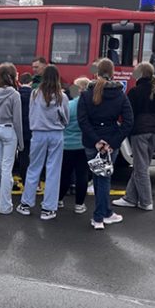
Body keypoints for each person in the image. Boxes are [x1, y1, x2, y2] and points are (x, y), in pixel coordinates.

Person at [77, 58, 134, 230]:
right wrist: (112, 142)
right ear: (113, 72)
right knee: (103, 178)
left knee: (99, 177)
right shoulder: (119, 94)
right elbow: (128, 122)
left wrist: (96, 141)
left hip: (91, 142)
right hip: (111, 142)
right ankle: (100, 217)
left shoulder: (87, 94)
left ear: (96, 72)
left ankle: (105, 213)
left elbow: (82, 120)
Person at [113, 62, 155, 211]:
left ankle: (146, 201)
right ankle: (130, 198)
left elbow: (128, 114)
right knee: (142, 165)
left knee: (140, 168)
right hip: (154, 134)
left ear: (139, 74)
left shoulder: (134, 92)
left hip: (139, 133)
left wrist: (127, 130)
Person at [16, 65, 69, 221]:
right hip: (56, 134)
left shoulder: (35, 94)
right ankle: (48, 208)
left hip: (38, 133)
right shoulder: (62, 96)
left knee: (34, 168)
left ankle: (26, 204)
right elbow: (66, 118)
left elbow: (31, 114)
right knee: (53, 171)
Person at [0, 63, 23, 214]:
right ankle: (5, 206)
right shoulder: (15, 94)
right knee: (6, 168)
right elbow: (17, 120)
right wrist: (20, 142)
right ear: (13, 75)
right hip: (9, 130)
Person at [58, 77, 91, 214]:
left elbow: (61, 122)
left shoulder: (69, 105)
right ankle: (79, 205)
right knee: (82, 175)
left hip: (66, 144)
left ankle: (59, 200)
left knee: (64, 174)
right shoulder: (90, 106)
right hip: (82, 145)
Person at [16, 72, 33, 185]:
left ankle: (22, 178)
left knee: (22, 156)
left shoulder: (17, 94)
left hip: (19, 128)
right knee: (32, 156)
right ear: (31, 82)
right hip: (32, 129)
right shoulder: (34, 94)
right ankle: (31, 181)